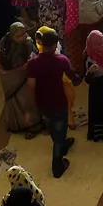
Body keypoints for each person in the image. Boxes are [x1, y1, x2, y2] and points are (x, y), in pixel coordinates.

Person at [27, 26, 82, 175]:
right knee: (59, 131)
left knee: (51, 126)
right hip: (59, 102)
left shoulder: (32, 63)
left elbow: (31, 86)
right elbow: (73, 77)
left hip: (42, 103)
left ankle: (62, 144)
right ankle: (57, 165)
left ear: (41, 44)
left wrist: (31, 107)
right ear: (55, 45)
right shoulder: (62, 60)